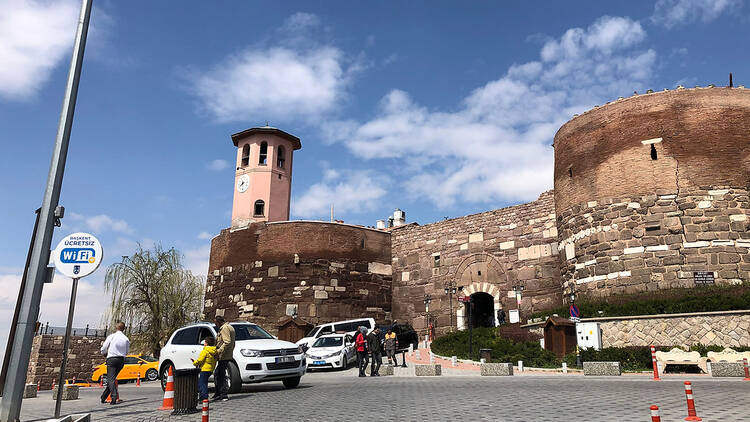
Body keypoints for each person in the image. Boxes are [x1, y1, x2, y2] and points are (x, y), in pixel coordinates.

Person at [99, 322, 129, 405]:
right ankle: (103, 397)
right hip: (121, 360)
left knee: (110, 379)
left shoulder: (112, 336)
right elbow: (126, 352)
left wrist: (104, 353)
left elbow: (104, 347)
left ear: (116, 328)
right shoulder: (126, 339)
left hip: (111, 359)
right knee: (112, 379)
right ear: (124, 328)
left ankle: (114, 397)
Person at [212, 315, 235, 401]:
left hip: (224, 355)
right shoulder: (230, 327)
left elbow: (227, 342)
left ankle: (222, 393)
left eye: (216, 323)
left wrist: (219, 351)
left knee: (220, 374)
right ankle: (219, 393)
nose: (216, 325)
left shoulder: (224, 328)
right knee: (219, 373)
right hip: (227, 354)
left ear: (219, 322)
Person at [192, 337, 216, 402]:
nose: (204, 343)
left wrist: (194, 362)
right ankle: (202, 396)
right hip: (210, 369)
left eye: (205, 342)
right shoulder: (214, 351)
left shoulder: (205, 351)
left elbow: (200, 360)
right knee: (203, 382)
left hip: (204, 369)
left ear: (207, 343)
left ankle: (204, 397)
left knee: (202, 383)